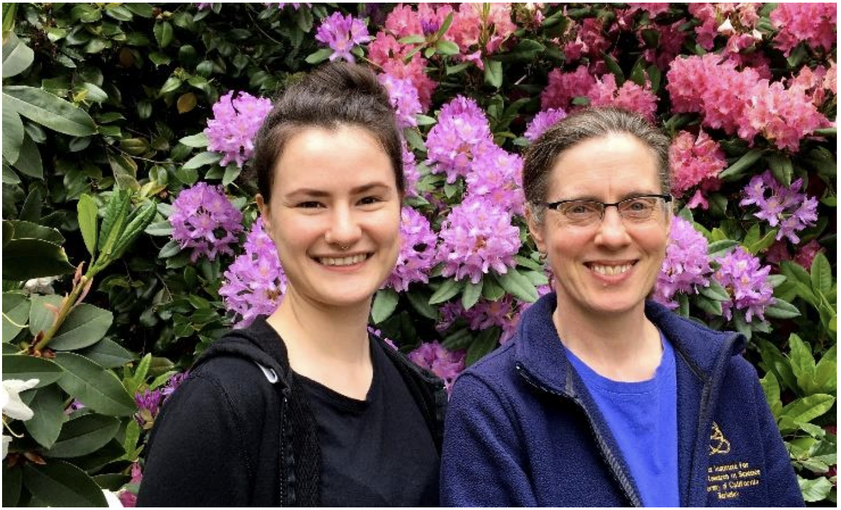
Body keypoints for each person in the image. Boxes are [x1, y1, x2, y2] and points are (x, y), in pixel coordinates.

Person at [439, 107, 804, 507]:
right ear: (537, 228)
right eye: (580, 208)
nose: (613, 235)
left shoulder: (729, 378)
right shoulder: (493, 406)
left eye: (637, 205)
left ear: (667, 219)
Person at [138, 63, 446, 507]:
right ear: (266, 214)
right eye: (310, 203)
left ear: (401, 202)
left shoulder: (417, 392)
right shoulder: (222, 406)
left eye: (369, 199)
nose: (343, 231)